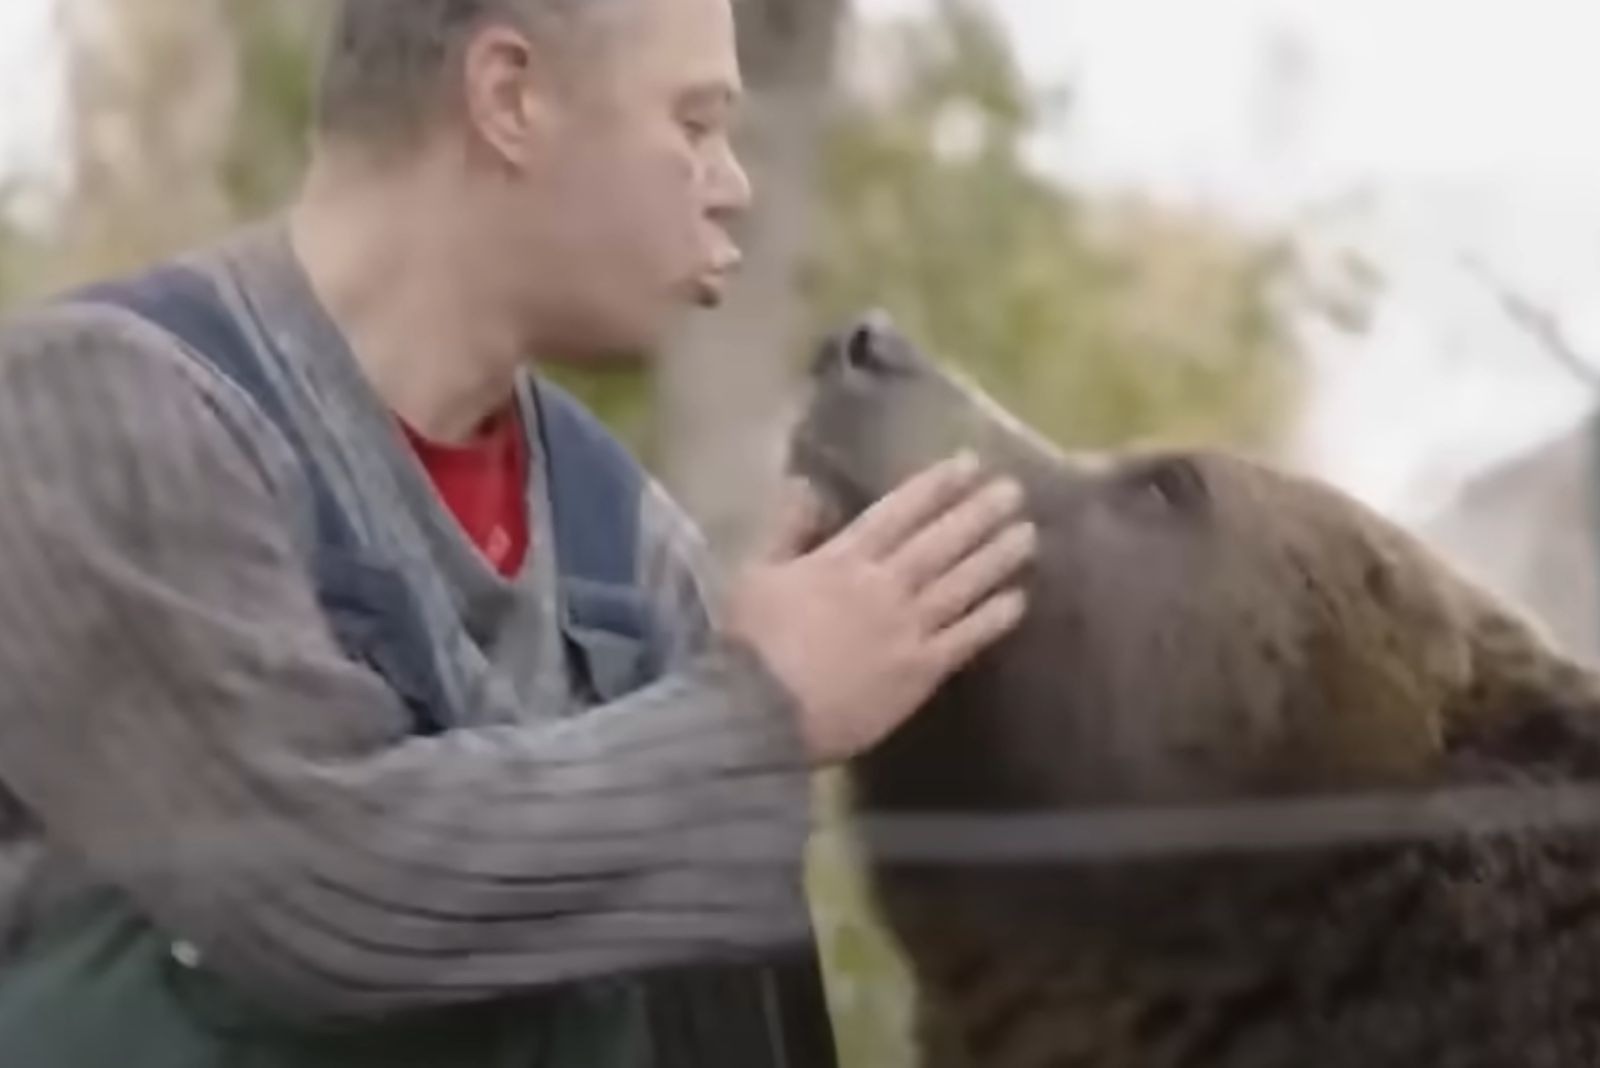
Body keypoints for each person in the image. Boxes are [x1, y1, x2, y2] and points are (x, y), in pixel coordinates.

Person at [0, 0, 1037, 1065]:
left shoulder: (630, 552)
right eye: (692, 124)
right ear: (509, 97)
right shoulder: (93, 413)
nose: (732, 186)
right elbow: (317, 893)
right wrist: (760, 714)